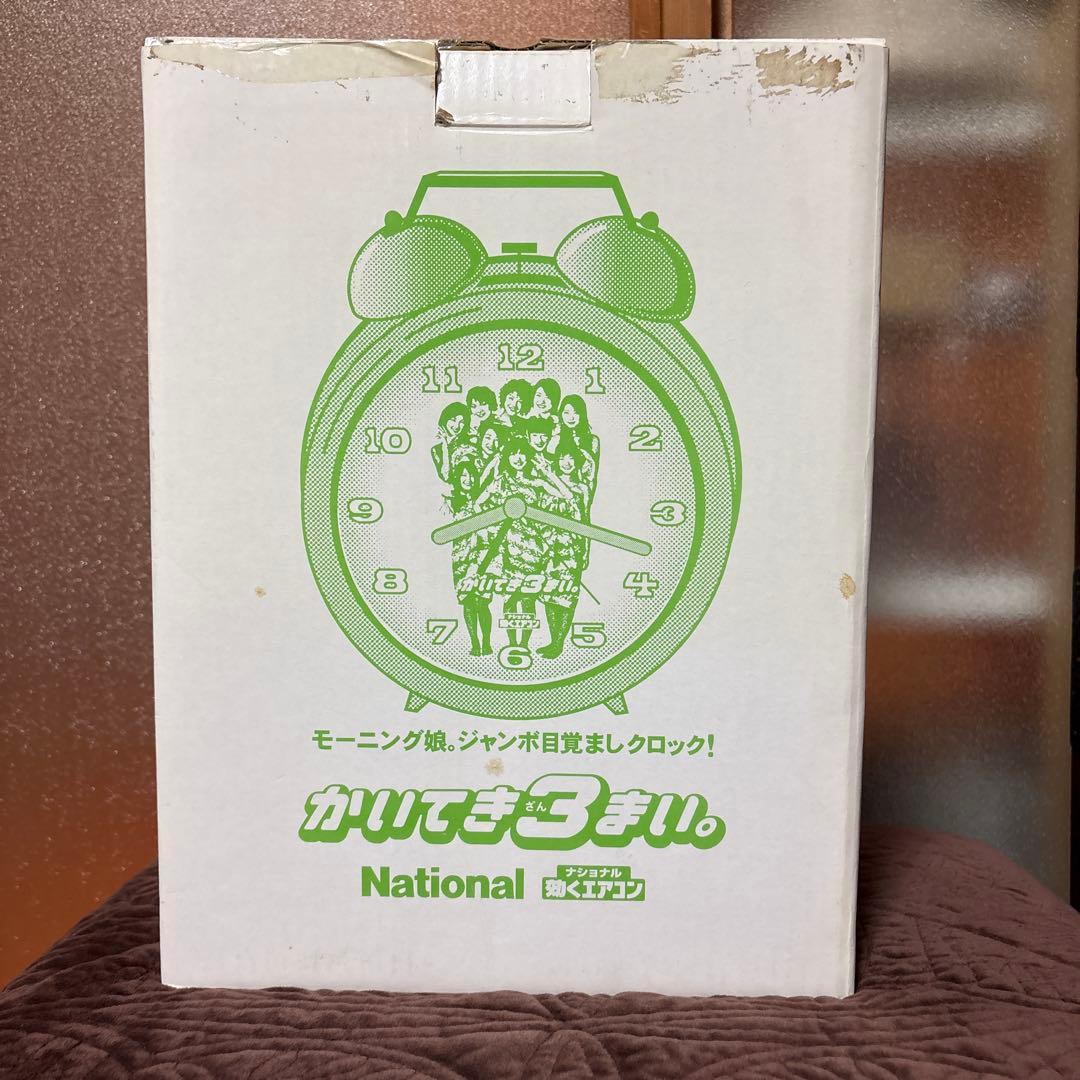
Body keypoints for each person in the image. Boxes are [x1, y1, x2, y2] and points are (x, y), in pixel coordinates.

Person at [535, 439, 590, 658]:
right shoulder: (546, 485)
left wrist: (586, 550)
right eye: (561, 458)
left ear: (576, 462)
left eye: (570, 458)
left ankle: (558, 643)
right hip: (549, 548)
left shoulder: (581, 487)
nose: (566, 462)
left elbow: (584, 517)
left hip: (571, 549)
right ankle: (553, 640)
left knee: (567, 595)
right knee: (549, 594)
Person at [447, 458, 493, 656]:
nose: (467, 479)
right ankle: (474, 643)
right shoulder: (452, 502)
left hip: (484, 554)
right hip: (461, 557)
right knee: (467, 601)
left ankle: (487, 643)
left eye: (471, 475)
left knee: (482, 602)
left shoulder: (484, 499)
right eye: (463, 476)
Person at [430, 401, 471, 484]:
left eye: (462, 422)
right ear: (445, 420)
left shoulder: (468, 444)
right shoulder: (436, 450)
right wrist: (444, 444)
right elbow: (446, 477)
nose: (457, 426)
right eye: (453, 420)